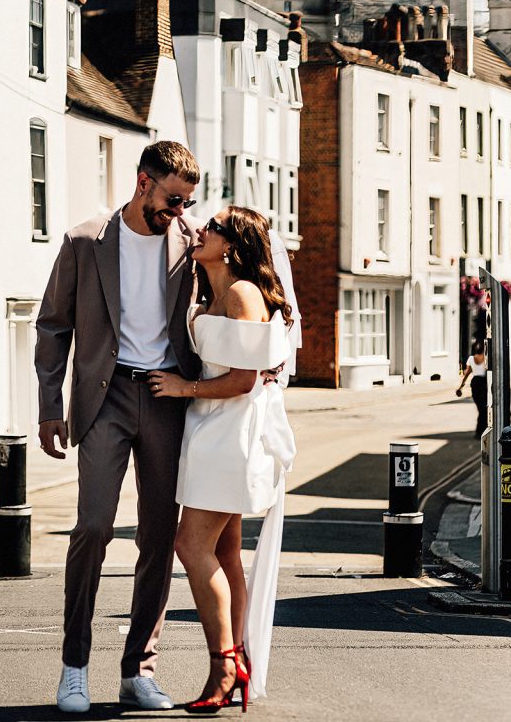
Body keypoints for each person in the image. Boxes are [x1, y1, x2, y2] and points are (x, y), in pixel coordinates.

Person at [35, 140, 203, 713]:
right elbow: (53, 327)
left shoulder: (192, 245)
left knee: (159, 537)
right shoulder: (86, 241)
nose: (179, 212)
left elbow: (239, 294)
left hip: (166, 399)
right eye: (172, 200)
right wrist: (49, 407)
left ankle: (139, 669)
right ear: (142, 183)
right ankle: (74, 665)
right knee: (93, 527)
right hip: (103, 400)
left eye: (186, 203)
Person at [147, 207, 296, 712]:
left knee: (190, 546)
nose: (200, 230)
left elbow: (244, 378)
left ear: (232, 245)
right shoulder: (212, 292)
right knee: (225, 551)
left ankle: (225, 662)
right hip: (210, 427)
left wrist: (180, 387)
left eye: (212, 227)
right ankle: (238, 660)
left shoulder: (241, 294)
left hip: (231, 431)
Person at [456, 340, 488, 439]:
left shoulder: (471, 359)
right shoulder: (486, 358)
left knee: (481, 409)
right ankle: (480, 432)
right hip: (482, 384)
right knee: (483, 409)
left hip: (475, 384)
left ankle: (481, 431)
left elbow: (466, 374)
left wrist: (460, 387)